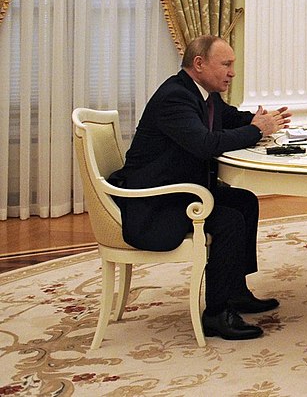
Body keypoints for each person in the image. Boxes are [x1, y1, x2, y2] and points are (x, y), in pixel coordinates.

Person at [110, 35, 291, 341]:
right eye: (226, 64)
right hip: (156, 203)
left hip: (182, 190)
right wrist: (255, 129)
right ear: (199, 64)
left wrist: (262, 120)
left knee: (244, 202)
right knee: (230, 220)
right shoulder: (175, 97)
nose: (232, 71)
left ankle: (234, 291)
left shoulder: (205, 95)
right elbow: (204, 145)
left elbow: (233, 120)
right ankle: (217, 314)